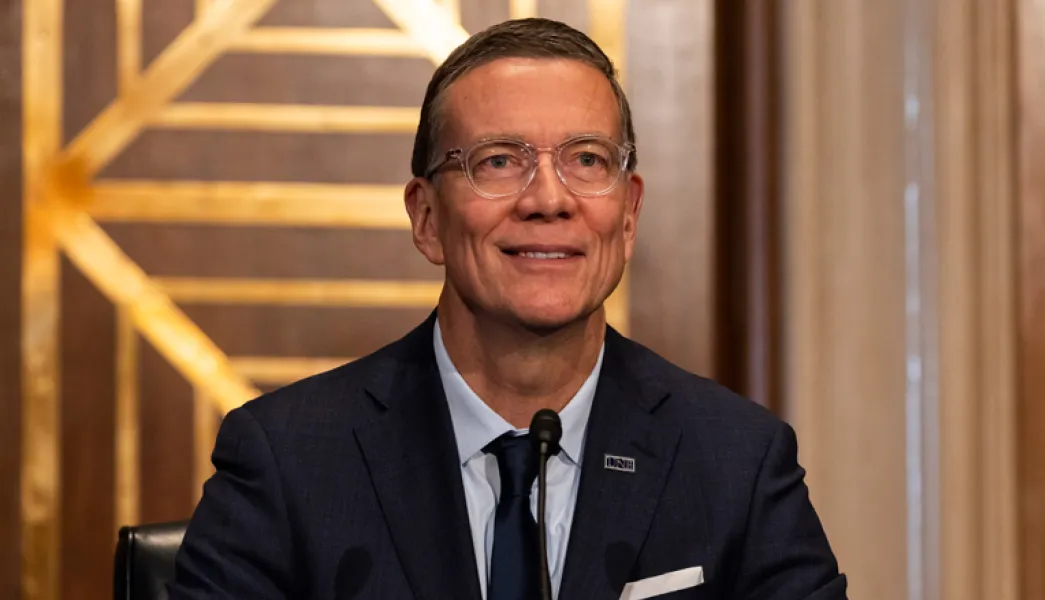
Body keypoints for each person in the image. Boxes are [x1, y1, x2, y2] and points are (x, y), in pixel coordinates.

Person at [169, 17, 845, 600]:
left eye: (586, 159)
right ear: (427, 217)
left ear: (629, 214)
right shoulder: (289, 461)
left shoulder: (736, 462)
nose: (548, 198)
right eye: (498, 161)